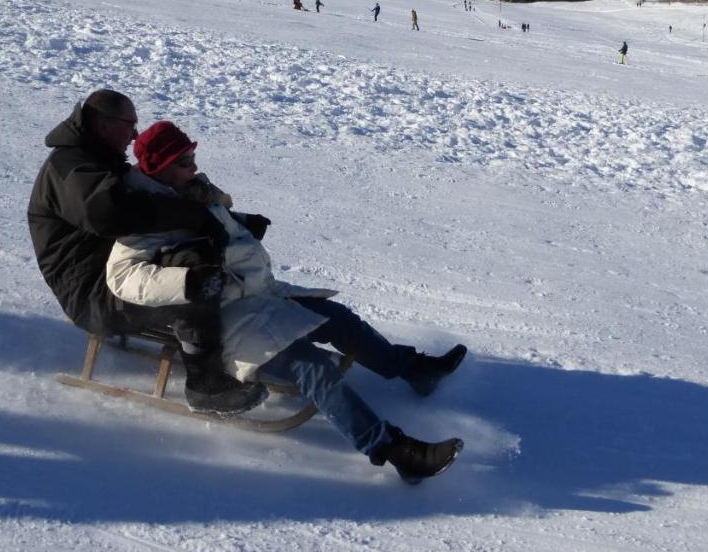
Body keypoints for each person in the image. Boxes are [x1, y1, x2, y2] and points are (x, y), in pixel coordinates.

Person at [108, 121, 467, 482]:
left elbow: (212, 224)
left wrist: (242, 221)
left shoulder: (190, 191)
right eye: (184, 161)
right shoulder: (144, 212)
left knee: (339, 319)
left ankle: (413, 370)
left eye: (193, 157)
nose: (194, 166)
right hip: (221, 320)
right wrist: (189, 281)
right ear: (158, 168)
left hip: (257, 294)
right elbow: (123, 276)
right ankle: (394, 450)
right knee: (314, 368)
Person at [27, 90, 264, 415]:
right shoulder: (70, 168)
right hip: (93, 296)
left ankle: (237, 342)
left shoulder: (95, 161)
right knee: (190, 280)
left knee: (197, 258)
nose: (135, 134)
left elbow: (152, 203)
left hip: (115, 276)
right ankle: (206, 385)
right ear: (104, 125)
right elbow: (109, 213)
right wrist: (192, 216)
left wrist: (230, 221)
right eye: (130, 125)